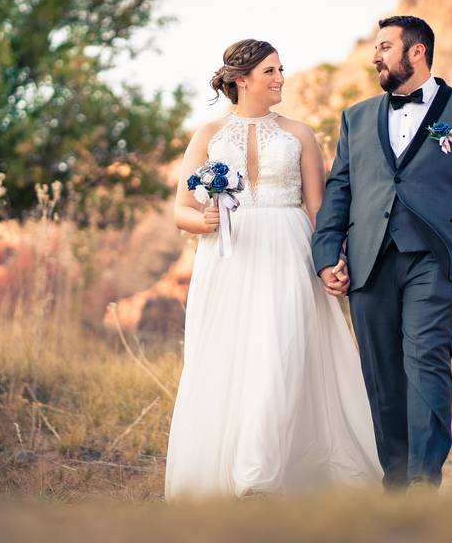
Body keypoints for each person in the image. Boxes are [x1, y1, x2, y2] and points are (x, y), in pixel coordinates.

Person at [312, 15, 452, 493]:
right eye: (375, 47)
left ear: (417, 52)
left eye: (385, 46)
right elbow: (339, 191)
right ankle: (395, 483)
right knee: (382, 373)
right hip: (369, 258)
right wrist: (328, 254)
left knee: (425, 359)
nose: (375, 56)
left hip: (438, 258)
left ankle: (424, 480)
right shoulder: (356, 118)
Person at [164, 39, 382, 500]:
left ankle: (260, 474)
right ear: (241, 80)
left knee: (282, 351)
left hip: (289, 253)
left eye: (281, 69)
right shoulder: (207, 135)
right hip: (229, 260)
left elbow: (320, 211)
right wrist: (202, 221)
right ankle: (241, 474)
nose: (281, 78)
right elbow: (182, 208)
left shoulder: (300, 134)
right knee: (234, 356)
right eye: (270, 71)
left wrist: (331, 259)